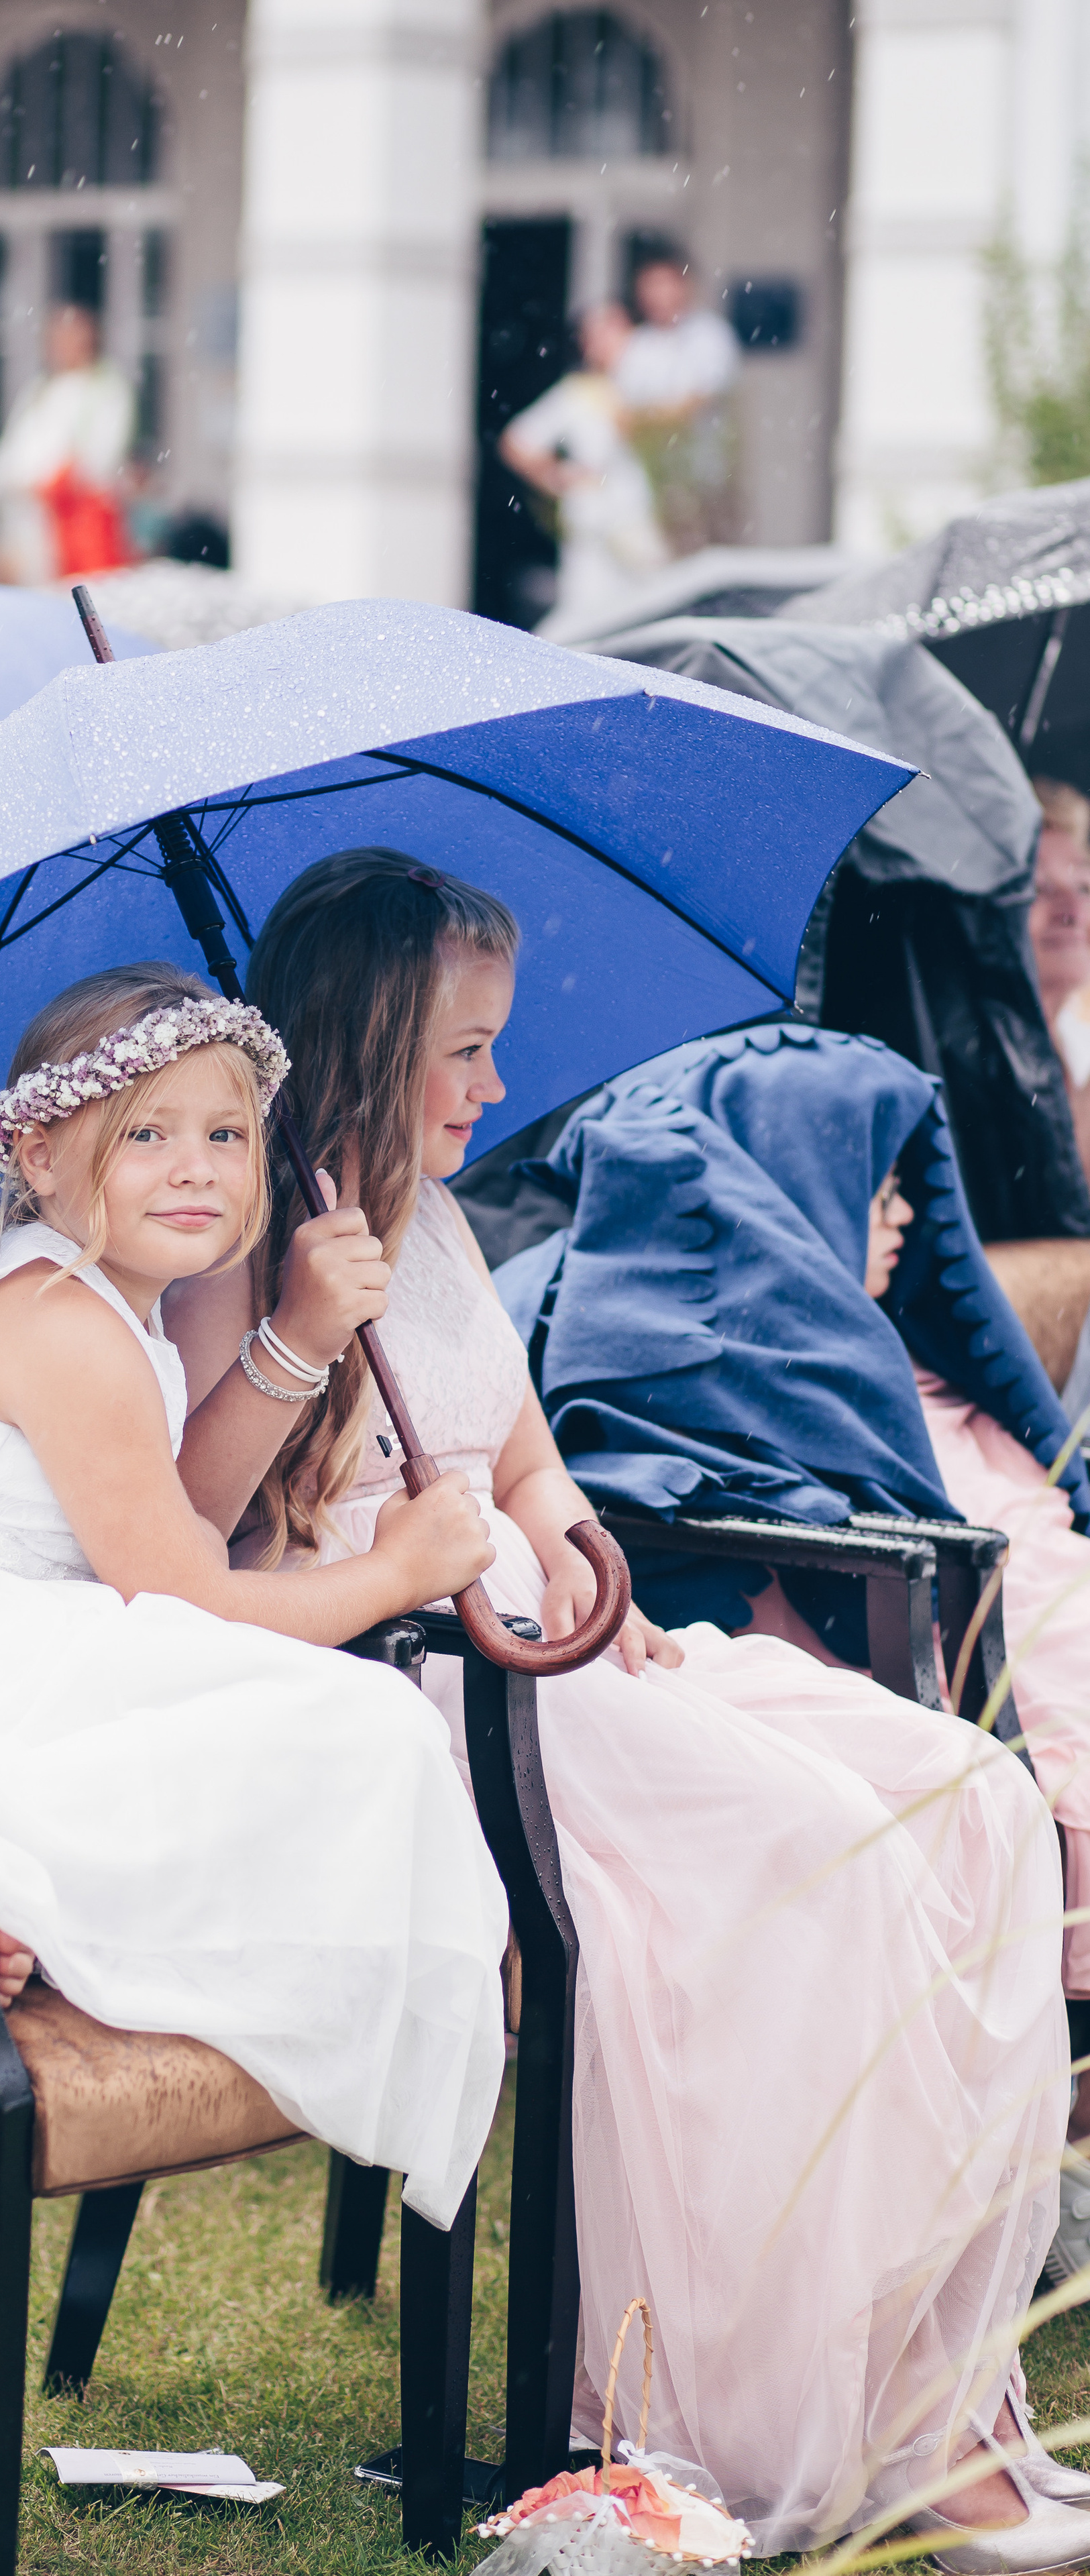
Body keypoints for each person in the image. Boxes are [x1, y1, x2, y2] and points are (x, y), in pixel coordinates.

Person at [163, 851, 1079, 2565]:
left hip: (558, 1640)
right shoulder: (243, 1243)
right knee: (820, 1857)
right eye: (461, 1051)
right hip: (418, 1696)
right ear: (367, 1041)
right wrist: (296, 1331)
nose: (492, 1084)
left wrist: (589, 1557)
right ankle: (803, 2409)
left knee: (965, 1798)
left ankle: (933, 2383)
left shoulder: (433, 1221)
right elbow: (192, 1529)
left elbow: (518, 1451)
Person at [0, 963, 511, 2232]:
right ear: (42, 1157)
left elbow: (183, 1516)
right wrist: (392, 1576)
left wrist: (299, 1332)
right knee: (366, 1724)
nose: (197, 1170)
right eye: (146, 1136)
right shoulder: (60, 1321)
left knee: (310, 1728)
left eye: (227, 1135)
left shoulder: (111, 1305)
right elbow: (182, 1591)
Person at [493, 1022, 1090, 2274]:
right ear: (784, 1179)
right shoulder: (719, 1372)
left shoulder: (925, 1382)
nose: (905, 1219)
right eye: (874, 1190)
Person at [500, 305, 667, 631]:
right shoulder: (578, 394)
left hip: (644, 522)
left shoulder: (654, 390)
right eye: (597, 335)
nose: (607, 342)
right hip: (594, 528)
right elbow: (516, 442)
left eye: (615, 332)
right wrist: (556, 476)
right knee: (588, 617)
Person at [0, 306, 134, 585]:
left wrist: (59, 481)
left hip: (79, 515)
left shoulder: (105, 388)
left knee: (83, 587)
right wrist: (24, 481)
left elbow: (101, 454)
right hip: (34, 512)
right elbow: (16, 448)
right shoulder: (40, 388)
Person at [615, 254, 741, 553]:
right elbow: (621, 414)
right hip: (654, 482)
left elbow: (697, 402)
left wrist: (649, 417)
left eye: (663, 284)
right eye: (649, 286)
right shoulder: (639, 344)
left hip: (705, 477)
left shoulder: (710, 335)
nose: (656, 295)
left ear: (684, 286)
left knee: (711, 557)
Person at [1028, 777, 1090, 1182]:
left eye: (1084, 886)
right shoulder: (964, 1068)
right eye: (1039, 888)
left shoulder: (1078, 1047)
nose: (1072, 910)